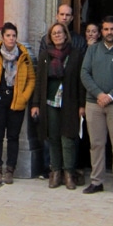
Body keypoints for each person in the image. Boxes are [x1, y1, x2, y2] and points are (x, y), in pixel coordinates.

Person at [80, 16, 113, 197]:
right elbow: (85, 73)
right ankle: (97, 181)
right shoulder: (93, 50)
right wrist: (99, 94)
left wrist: (110, 96)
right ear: (101, 31)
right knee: (96, 144)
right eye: (106, 29)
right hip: (94, 103)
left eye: (112, 29)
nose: (109, 32)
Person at [0, 23, 36, 184]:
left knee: (13, 136)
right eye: (8, 35)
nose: (11, 39)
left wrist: (24, 97)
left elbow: (32, 79)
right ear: (3, 37)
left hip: (16, 100)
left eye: (13, 35)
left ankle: (10, 169)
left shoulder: (23, 55)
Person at [30, 22, 82, 189]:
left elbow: (81, 82)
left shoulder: (76, 54)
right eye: (54, 34)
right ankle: (56, 171)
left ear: (66, 35)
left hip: (70, 102)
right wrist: (36, 103)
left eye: (60, 32)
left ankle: (68, 173)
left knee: (67, 137)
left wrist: (82, 105)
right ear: (50, 37)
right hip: (50, 102)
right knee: (52, 137)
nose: (58, 35)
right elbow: (39, 81)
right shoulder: (45, 55)